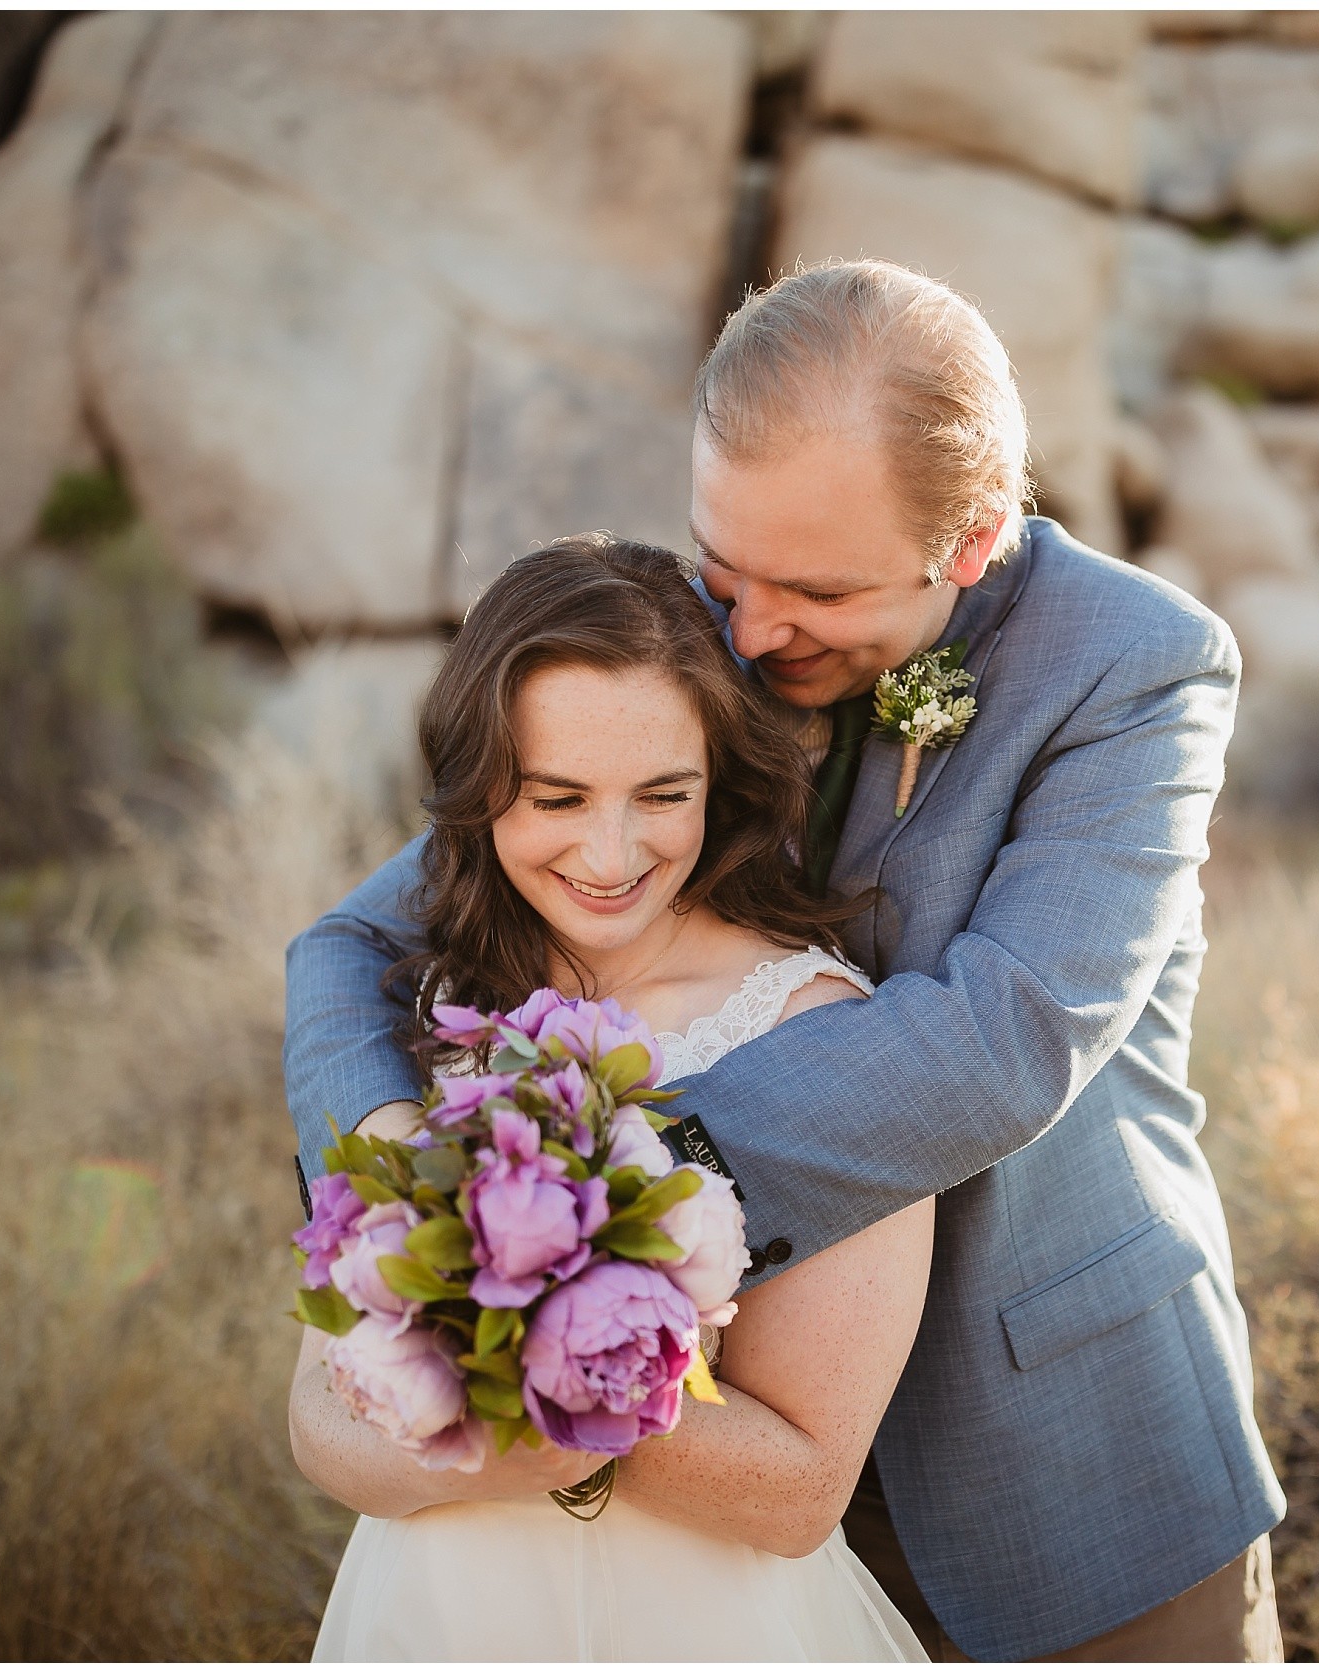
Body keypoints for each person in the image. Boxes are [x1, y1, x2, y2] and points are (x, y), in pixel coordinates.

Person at [287, 259, 1287, 1661]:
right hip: (706, 1456)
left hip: (1064, 1466)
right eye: (721, 566)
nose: (747, 635)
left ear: (975, 537)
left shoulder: (1135, 667)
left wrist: (582, 1214)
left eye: (816, 591)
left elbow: (1005, 1042)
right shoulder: (689, 624)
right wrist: (405, 1175)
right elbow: (355, 944)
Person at [293, 534, 932, 1660]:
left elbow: (801, 1492)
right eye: (556, 795)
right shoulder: (434, 1000)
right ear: (482, 788)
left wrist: (562, 1380)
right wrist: (484, 1431)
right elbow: (318, 1417)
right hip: (437, 1613)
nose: (610, 850)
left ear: (717, 779)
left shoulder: (820, 1029)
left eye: (662, 794)